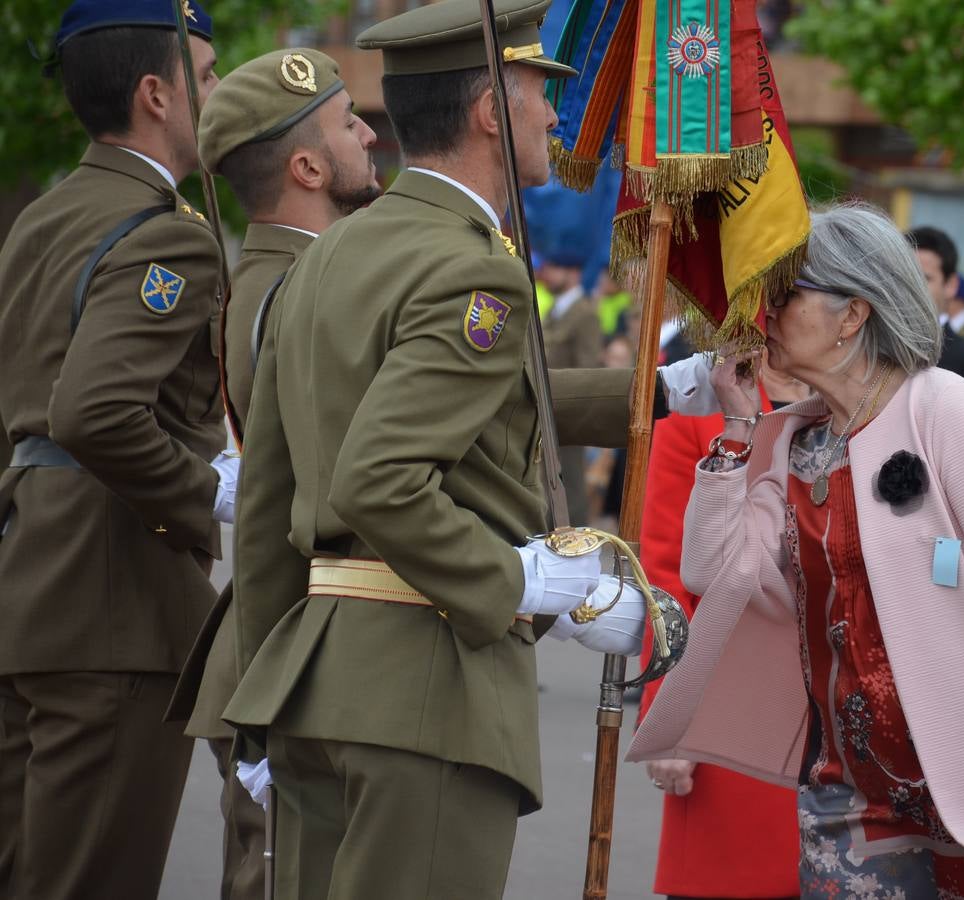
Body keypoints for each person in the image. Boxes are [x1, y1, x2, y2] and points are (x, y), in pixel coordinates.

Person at [218, 2, 716, 897]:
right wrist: (526, 584)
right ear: (491, 107)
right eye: (538, 94)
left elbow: (270, 498)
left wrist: (262, 698)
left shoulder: (327, 257)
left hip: (312, 687)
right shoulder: (474, 267)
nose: (554, 117)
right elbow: (380, 479)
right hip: (425, 692)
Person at [630, 203, 964, 900]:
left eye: (785, 297)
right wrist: (734, 431)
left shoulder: (947, 409)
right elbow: (715, 573)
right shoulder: (794, 439)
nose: (764, 315)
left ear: (853, 315)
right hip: (845, 789)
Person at [0, 3, 232, 898]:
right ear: (156, 94)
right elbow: (93, 412)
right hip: (115, 601)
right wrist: (205, 490)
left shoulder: (43, 216)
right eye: (206, 78)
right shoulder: (168, 231)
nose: (215, 94)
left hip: (32, 579)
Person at [160, 47, 381, 900]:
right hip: (287, 646)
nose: (368, 132)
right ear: (307, 165)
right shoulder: (298, 286)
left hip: (277, 643)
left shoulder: (277, 273)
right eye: (347, 122)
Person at [638, 354, 808, 900]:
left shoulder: (867, 407)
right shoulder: (697, 416)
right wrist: (671, 713)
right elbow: (667, 577)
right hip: (729, 693)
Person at [541, 246, 602, 523]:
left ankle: (578, 548)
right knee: (548, 483)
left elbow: (588, 369)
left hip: (567, 414)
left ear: (573, 273)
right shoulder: (556, 309)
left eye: (555, 268)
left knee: (571, 485)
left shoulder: (584, 313)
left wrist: (574, 414)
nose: (547, 274)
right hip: (546, 412)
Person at [904, 225, 964, 401]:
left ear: (951, 285)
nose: (911, 287)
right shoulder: (875, 349)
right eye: (904, 277)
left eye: (924, 278)